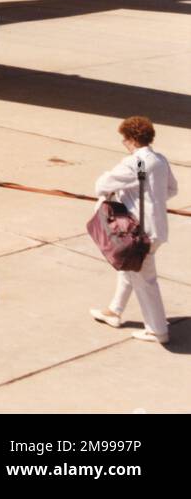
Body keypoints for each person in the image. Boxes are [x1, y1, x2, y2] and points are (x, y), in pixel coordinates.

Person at [90, 116, 179, 344]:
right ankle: (114, 311)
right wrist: (151, 199)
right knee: (129, 269)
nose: (124, 143)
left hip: (140, 232)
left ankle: (158, 330)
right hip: (157, 228)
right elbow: (171, 189)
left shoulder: (137, 162)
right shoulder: (160, 160)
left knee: (145, 279)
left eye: (124, 139)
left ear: (132, 139)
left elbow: (103, 185)